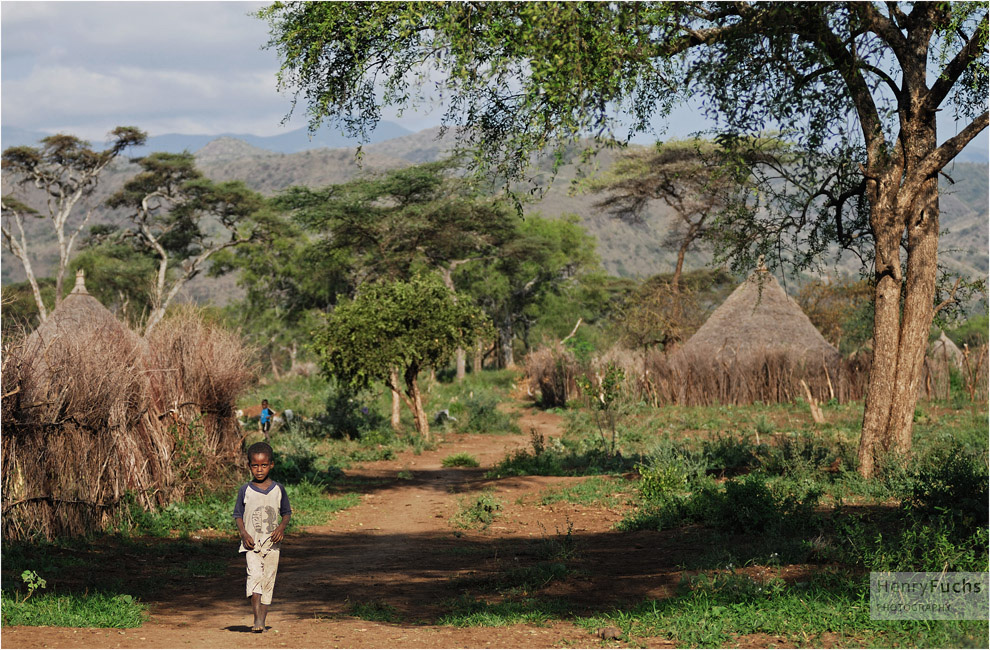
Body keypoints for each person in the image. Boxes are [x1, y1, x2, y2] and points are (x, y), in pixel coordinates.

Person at [233, 441, 291, 633]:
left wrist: (281, 528)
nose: (259, 470)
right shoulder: (245, 490)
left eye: (263, 465)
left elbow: (286, 513)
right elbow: (238, 515)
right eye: (255, 465)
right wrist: (244, 533)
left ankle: (263, 620)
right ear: (249, 466)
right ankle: (257, 619)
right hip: (252, 545)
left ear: (271, 465)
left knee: (268, 580)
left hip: (273, 545)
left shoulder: (278, 489)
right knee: (254, 577)